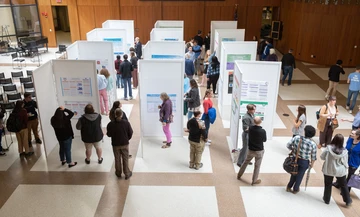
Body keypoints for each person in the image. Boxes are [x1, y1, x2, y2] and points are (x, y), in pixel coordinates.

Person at [321, 134, 352, 206]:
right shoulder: (345, 152)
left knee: (328, 184)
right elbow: (345, 162)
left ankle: (326, 199)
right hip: (340, 171)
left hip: (329, 169)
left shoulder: (328, 148)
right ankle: (347, 200)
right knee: (343, 185)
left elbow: (322, 157)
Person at [286, 125, 317, 194]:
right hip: (304, 161)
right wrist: (312, 164)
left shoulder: (297, 138)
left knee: (294, 173)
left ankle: (289, 186)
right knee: (300, 175)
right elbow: (313, 156)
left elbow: (288, 145)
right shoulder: (313, 144)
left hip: (295, 158)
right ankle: (296, 189)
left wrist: (293, 150)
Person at [237, 117, 267, 185]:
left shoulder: (250, 128)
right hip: (259, 150)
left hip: (251, 150)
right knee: (257, 166)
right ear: (261, 122)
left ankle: (239, 175)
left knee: (245, 163)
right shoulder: (262, 131)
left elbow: (247, 130)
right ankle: (254, 180)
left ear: (254, 121)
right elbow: (264, 140)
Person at [107, 108, 133, 179]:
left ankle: (118, 173)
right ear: (121, 114)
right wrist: (127, 139)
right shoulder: (126, 123)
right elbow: (130, 133)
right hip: (124, 143)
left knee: (117, 158)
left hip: (115, 144)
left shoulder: (110, 124)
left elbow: (109, 134)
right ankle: (127, 173)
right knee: (125, 158)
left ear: (115, 114)